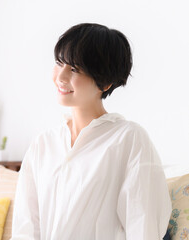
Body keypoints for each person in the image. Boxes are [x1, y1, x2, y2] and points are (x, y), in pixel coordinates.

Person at [10, 23, 172, 240]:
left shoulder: (129, 138)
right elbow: (25, 229)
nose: (61, 77)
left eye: (74, 69)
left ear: (105, 82)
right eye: (59, 63)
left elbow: (143, 226)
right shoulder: (43, 144)